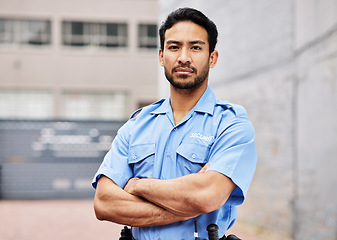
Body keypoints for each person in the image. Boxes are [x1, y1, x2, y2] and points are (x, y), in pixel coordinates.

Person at [92, 7, 257, 240]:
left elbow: (208, 195)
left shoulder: (231, 125)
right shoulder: (137, 125)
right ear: (161, 56)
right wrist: (190, 207)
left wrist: (139, 186)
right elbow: (104, 203)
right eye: (174, 47)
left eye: (196, 47)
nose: (183, 57)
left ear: (213, 58)